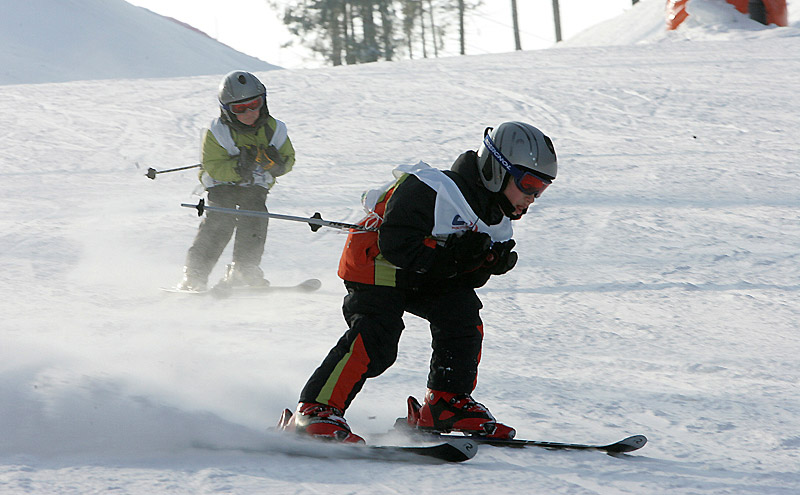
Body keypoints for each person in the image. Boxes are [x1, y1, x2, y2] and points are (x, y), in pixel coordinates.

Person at [278, 121, 557, 443]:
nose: (533, 197)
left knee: (462, 316)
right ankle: (315, 410)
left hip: (422, 272)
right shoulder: (432, 188)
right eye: (530, 184)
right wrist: (456, 256)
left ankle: (446, 402)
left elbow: (467, 278)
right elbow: (396, 244)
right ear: (498, 169)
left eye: (542, 188)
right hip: (376, 264)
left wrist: (483, 262)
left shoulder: (498, 219)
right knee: (378, 336)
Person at [178, 70, 295, 291]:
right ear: (227, 111)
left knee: (256, 215)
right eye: (240, 109)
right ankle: (195, 273)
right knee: (221, 220)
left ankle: (244, 268)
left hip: (256, 186)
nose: (250, 112)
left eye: (255, 104)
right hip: (222, 186)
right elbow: (212, 166)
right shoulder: (217, 132)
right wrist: (239, 167)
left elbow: (289, 159)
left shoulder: (275, 129)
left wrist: (277, 165)